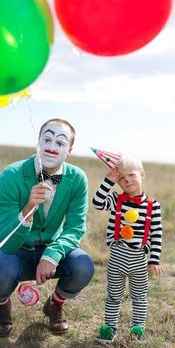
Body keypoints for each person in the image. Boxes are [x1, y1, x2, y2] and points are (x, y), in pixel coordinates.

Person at [0, 118, 94, 336]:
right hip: (16, 251)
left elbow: (75, 228)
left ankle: (55, 304)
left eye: (60, 143)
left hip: (51, 247)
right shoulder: (10, 175)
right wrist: (28, 209)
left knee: (83, 265)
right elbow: (5, 238)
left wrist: (52, 254)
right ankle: (2, 303)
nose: (52, 147)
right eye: (47, 140)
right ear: (38, 141)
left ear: (69, 150)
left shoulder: (77, 179)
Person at [92, 153, 164, 343]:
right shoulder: (116, 199)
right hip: (117, 256)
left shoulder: (152, 205)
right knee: (113, 295)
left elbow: (156, 234)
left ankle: (137, 329)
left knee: (139, 296)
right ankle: (109, 328)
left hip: (139, 259)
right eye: (122, 178)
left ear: (142, 174)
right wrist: (108, 182)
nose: (126, 180)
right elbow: (97, 203)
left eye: (131, 175)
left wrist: (154, 259)